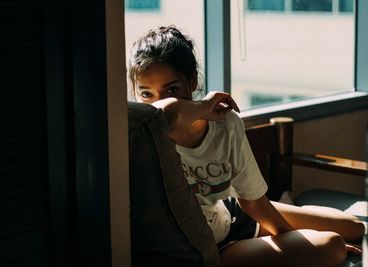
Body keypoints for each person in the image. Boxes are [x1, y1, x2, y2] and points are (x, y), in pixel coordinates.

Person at [127, 25, 365, 266]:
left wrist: (295, 240)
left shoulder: (224, 123)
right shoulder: (136, 136)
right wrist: (203, 106)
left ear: (192, 80)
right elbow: (164, 117)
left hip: (232, 213)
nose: (160, 101)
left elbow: (253, 203)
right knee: (332, 246)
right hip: (208, 246)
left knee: (354, 227)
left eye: (172, 89)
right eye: (146, 94)